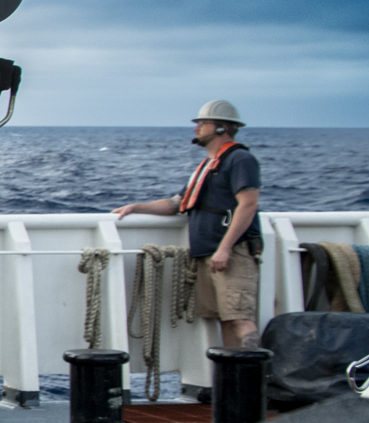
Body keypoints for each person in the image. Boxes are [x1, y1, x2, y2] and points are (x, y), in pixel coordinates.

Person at [112, 100, 262, 350]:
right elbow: (176, 203)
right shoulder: (208, 166)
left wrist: (225, 248)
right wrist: (136, 207)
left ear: (221, 128)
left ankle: (253, 380)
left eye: (203, 123)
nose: (197, 128)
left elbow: (248, 204)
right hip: (208, 253)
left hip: (231, 253)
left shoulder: (240, 159)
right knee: (224, 320)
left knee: (240, 318)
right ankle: (232, 382)